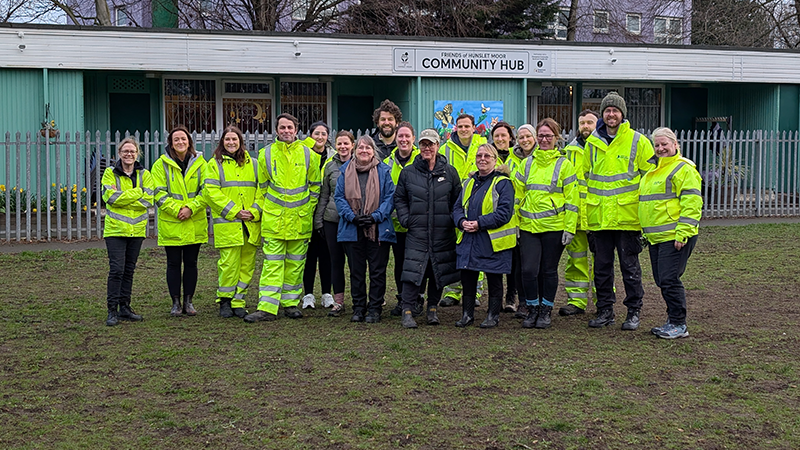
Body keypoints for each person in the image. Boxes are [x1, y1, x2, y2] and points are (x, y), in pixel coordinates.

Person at [584, 92, 655, 330]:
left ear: (622, 114)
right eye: (607, 111)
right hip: (600, 218)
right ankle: (605, 310)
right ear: (602, 114)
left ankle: (633, 311)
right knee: (602, 269)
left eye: (615, 110)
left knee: (630, 268)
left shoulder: (638, 141)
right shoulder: (592, 143)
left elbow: (650, 177)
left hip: (627, 218)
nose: (611, 114)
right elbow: (586, 178)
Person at [244, 113, 322, 323]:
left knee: (295, 264)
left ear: (296, 130)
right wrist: (259, 211)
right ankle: (267, 307)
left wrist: (307, 208)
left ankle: (290, 304)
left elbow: (315, 186)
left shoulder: (309, 155)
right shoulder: (265, 154)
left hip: (299, 219)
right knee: (272, 264)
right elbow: (261, 189)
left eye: (290, 127)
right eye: (282, 128)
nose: (286, 131)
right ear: (276, 130)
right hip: (274, 219)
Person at [513, 118, 578, 329]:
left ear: (556, 138)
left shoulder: (564, 165)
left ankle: (545, 309)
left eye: (548, 136)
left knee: (548, 270)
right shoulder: (527, 163)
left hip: (554, 227)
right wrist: (515, 223)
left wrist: (569, 227)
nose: (544, 139)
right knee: (529, 270)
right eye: (540, 136)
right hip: (529, 227)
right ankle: (532, 308)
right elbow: (517, 196)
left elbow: (572, 200)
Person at [394, 128, 461, 328]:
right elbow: (399, 198)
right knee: (413, 271)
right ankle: (407, 310)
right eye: (423, 144)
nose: (427, 148)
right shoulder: (408, 172)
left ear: (437, 146)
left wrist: (451, 219)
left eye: (430, 144)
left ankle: (432, 309)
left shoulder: (449, 172)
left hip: (442, 231)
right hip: (417, 232)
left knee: (437, 270)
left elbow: (457, 200)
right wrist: (406, 219)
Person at [639, 127, 702, 339]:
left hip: (675, 236)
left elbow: (692, 203)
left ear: (675, 145)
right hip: (656, 237)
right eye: (657, 145)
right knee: (661, 279)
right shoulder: (652, 172)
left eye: (664, 144)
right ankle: (672, 320)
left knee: (669, 279)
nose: (660, 148)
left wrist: (683, 232)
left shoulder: (683, 169)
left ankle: (678, 323)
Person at [452, 144, 516, 328]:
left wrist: (479, 223)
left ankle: (493, 316)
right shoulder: (469, 182)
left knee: (494, 278)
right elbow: (456, 208)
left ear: (495, 160)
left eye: (487, 156)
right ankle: (467, 315)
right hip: (469, 238)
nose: (482, 158)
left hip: (491, 240)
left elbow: (504, 212)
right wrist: (461, 221)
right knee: (468, 278)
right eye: (479, 155)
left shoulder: (503, 183)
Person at [334, 135, 396, 323]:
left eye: (368, 148)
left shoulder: (384, 171)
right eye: (360, 147)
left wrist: (375, 217)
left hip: (377, 229)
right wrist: (352, 217)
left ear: (373, 151)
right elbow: (339, 197)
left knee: (377, 271)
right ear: (355, 150)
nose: (364, 151)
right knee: (356, 271)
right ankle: (359, 307)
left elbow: (389, 198)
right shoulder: (345, 171)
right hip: (353, 228)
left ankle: (375, 308)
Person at [204, 126, 262, 319]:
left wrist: (253, 211)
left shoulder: (253, 164)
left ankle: (239, 300)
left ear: (240, 141)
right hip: (228, 223)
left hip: (250, 224)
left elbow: (262, 191)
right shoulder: (214, 164)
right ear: (222, 142)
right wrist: (235, 211)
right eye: (227, 139)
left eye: (234, 139)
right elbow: (211, 192)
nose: (231, 143)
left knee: (247, 265)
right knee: (228, 264)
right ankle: (225, 300)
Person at [152, 126, 208, 317]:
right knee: (173, 263)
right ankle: (175, 302)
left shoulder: (201, 163)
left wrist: (191, 208)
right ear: (171, 143)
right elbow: (158, 193)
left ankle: (188, 301)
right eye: (176, 140)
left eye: (183, 139)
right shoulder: (160, 165)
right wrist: (178, 210)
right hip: (172, 222)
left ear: (189, 142)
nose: (180, 142)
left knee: (191, 263)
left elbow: (206, 191)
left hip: (194, 221)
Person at [102, 137, 153, 326]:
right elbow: (110, 198)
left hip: (137, 230)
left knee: (129, 270)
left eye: (132, 151)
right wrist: (137, 192)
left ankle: (125, 307)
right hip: (115, 230)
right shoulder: (110, 173)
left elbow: (149, 199)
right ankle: (112, 310)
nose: (129, 154)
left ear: (137, 153)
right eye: (125, 151)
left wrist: (125, 196)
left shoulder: (145, 174)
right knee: (116, 270)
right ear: (119, 154)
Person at [559, 110, 599, 316]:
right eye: (582, 122)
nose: (585, 126)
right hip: (575, 216)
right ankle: (577, 300)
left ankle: (603, 301)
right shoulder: (569, 151)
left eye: (590, 122)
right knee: (576, 260)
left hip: (598, 216)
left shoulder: (604, 148)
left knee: (602, 262)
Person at [384, 122, 423, 317]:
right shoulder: (387, 163)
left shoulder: (421, 159)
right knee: (400, 264)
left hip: (418, 224)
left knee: (418, 263)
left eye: (407, 136)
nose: (404, 140)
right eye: (400, 136)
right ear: (396, 139)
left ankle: (417, 299)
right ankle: (402, 299)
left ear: (413, 139)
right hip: (396, 224)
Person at [315, 130, 354, 317]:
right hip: (332, 220)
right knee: (335, 262)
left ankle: (359, 299)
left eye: (346, 143)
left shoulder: (360, 163)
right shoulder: (330, 166)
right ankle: (338, 302)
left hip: (354, 221)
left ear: (352, 145)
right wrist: (319, 220)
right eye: (339, 144)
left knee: (356, 263)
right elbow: (324, 194)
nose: (343, 147)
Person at [301, 121, 334, 310]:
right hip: (306, 209)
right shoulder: (302, 153)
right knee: (309, 255)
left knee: (326, 254)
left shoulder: (333, 156)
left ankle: (327, 293)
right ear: (310, 135)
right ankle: (308, 294)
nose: (320, 137)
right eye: (316, 134)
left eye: (323, 134)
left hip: (326, 211)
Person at [504, 123, 536, 315]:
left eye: (528, 136)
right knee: (518, 264)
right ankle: (522, 302)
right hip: (516, 217)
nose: (524, 140)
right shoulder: (511, 159)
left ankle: (535, 301)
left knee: (532, 265)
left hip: (539, 218)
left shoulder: (543, 158)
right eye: (521, 137)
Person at [439, 113, 488, 180]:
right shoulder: (444, 149)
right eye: (460, 127)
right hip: (453, 189)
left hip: (478, 188)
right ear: (456, 128)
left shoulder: (484, 146)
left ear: (473, 128)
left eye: (467, 126)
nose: (463, 129)